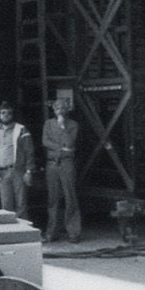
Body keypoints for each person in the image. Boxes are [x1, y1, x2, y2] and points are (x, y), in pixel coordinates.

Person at [41, 99, 81, 244]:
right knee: (53, 199)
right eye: (57, 107)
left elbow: (70, 142)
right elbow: (45, 141)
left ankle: (73, 232)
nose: (60, 110)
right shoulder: (48, 124)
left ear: (67, 109)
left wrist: (62, 126)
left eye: (63, 107)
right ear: (53, 109)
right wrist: (61, 148)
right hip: (52, 164)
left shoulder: (73, 125)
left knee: (70, 197)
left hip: (66, 164)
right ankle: (51, 232)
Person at [0, 101, 34, 219]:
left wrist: (29, 171)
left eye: (9, 113)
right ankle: (10, 233)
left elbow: (29, 151)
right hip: (2, 172)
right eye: (3, 113)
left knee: (21, 203)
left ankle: (24, 233)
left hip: (18, 171)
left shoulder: (21, 129)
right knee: (6, 205)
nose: (6, 115)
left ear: (13, 114)